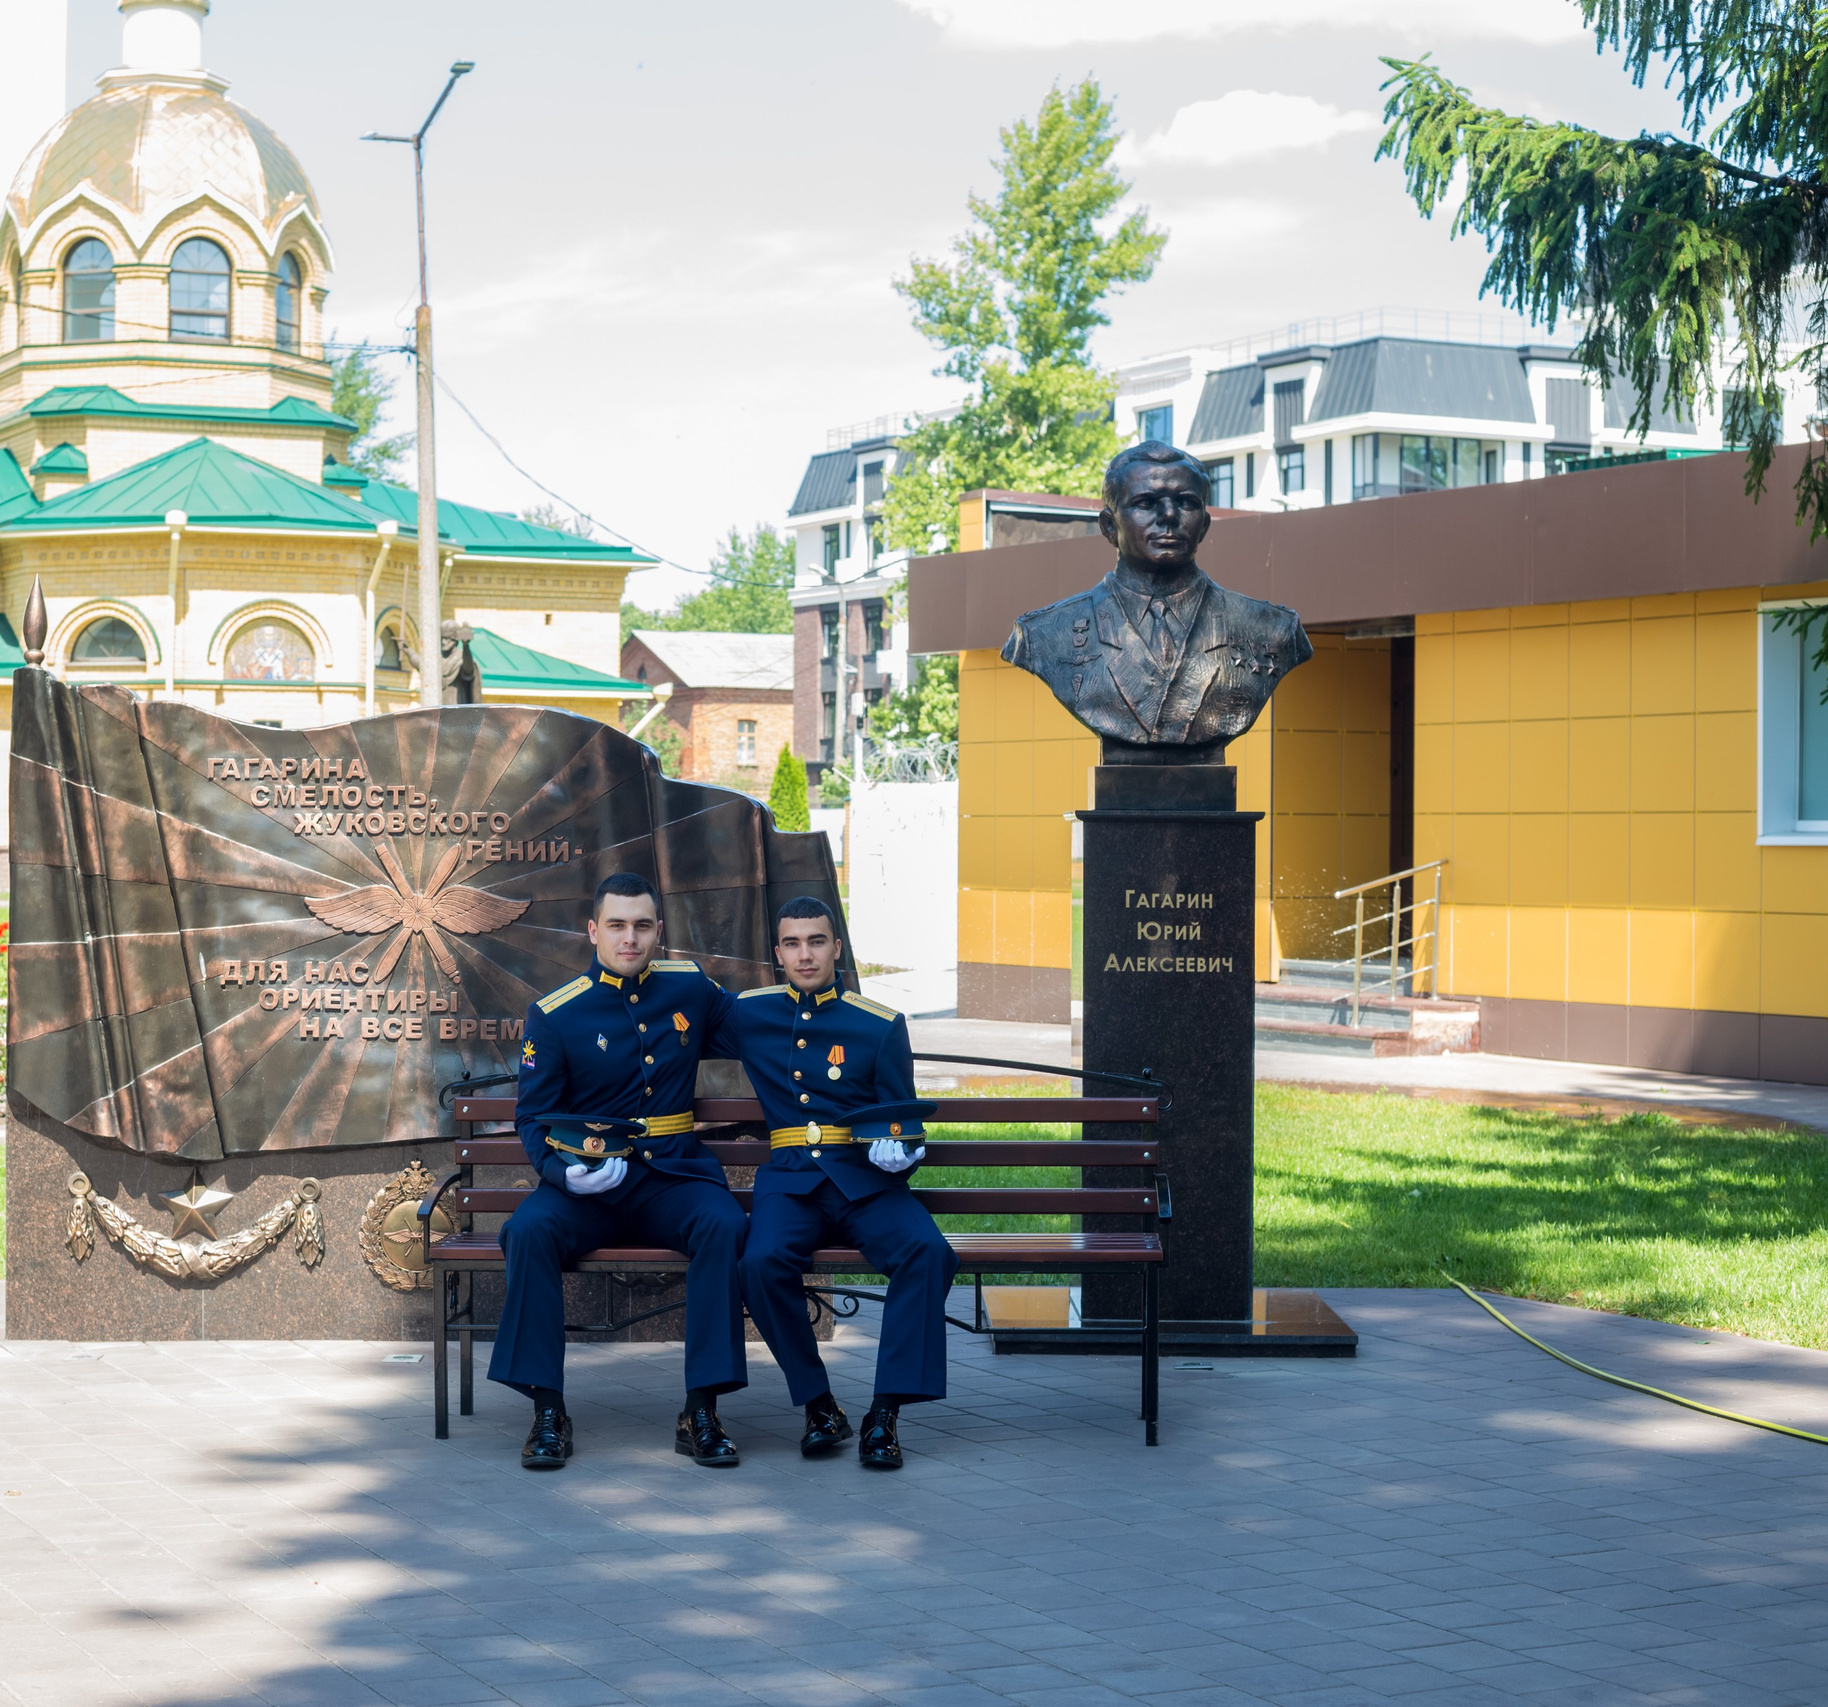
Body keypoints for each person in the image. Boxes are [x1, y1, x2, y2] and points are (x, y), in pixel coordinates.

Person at [489, 872, 747, 1470]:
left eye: (641, 926)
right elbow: (532, 1117)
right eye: (616, 925)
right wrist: (563, 1174)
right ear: (592, 931)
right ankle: (547, 1411)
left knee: (724, 1225)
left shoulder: (690, 987)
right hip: (589, 1184)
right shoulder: (555, 1014)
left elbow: (764, 1031)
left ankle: (701, 1410)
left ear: (658, 931)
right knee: (527, 1231)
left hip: (671, 1179)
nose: (629, 938)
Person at [712, 896, 958, 1470]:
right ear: (777, 954)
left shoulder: (879, 1025)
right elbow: (669, 1019)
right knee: (759, 1264)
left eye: (816, 941)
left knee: (927, 1253)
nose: (805, 954)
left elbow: (903, 1120)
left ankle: (885, 1414)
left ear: (837, 948)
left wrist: (901, 1157)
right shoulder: (749, 1014)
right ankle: (819, 1406)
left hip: (866, 1182)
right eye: (792, 943)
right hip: (791, 1183)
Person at [999, 439, 1312, 761]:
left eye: (1186, 502)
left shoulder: (1273, 629)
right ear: (1109, 526)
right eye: (1146, 503)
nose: (1169, 516)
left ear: (1204, 525)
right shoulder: (1045, 633)